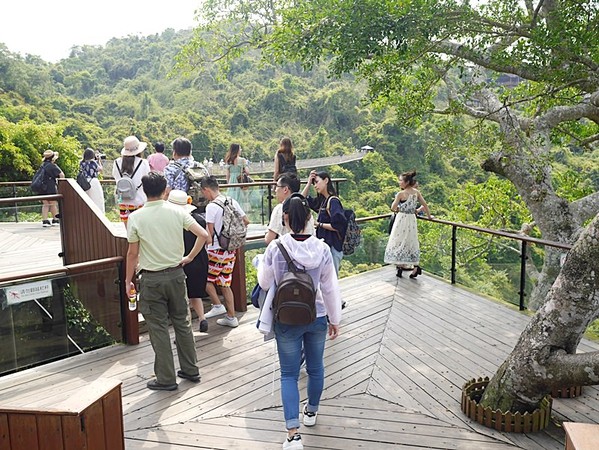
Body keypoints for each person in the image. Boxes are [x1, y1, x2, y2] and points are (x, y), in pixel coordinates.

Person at [258, 195, 342, 450]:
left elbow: (264, 282)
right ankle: (311, 412)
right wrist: (334, 318)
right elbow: (329, 288)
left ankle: (293, 435)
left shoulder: (276, 248)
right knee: (316, 368)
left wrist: (261, 263)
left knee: (288, 375)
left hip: (287, 318)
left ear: (285, 219)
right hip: (315, 315)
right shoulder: (322, 249)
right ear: (309, 219)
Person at [125, 172, 209, 390]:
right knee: (182, 322)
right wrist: (189, 257)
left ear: (144, 191)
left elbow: (132, 254)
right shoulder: (177, 211)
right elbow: (204, 235)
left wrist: (128, 280)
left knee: (158, 327)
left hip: (151, 279)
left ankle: (166, 378)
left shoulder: (136, 217)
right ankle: (191, 369)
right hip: (177, 275)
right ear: (165, 191)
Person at [200, 175, 250, 328]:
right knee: (224, 282)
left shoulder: (211, 206)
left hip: (215, 249)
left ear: (207, 190)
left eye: (203, 192)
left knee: (205, 280)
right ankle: (231, 316)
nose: (203, 195)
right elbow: (246, 220)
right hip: (230, 249)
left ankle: (217, 305)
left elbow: (209, 234)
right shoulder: (231, 201)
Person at [167, 189, 210, 333]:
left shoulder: (173, 221)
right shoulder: (199, 219)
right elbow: (207, 239)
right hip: (201, 259)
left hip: (183, 259)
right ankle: (202, 318)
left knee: (183, 297)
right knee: (195, 294)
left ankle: (187, 328)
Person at [384, 170, 432, 278]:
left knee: (399, 240)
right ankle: (415, 266)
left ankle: (400, 266)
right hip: (411, 220)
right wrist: (429, 216)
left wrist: (400, 209)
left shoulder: (401, 194)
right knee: (411, 241)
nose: (399, 182)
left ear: (406, 182)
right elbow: (425, 204)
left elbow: (393, 208)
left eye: (401, 181)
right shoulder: (416, 192)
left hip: (401, 219)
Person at [301, 170, 347, 276]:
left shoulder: (333, 202)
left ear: (326, 180)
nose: (315, 186)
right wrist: (308, 183)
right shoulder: (322, 201)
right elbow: (301, 200)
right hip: (325, 247)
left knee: (331, 279)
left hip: (333, 247)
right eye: (314, 184)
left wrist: (319, 224)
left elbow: (338, 226)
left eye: (317, 182)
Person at [112, 136, 151, 228]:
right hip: (139, 201)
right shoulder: (143, 163)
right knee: (140, 231)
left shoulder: (117, 162)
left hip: (122, 201)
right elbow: (147, 179)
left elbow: (115, 177)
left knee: (129, 232)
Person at [265, 173, 314, 245]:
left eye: (277, 186)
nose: (275, 190)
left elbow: (269, 240)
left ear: (285, 189)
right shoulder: (305, 208)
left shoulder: (279, 209)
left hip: (287, 252)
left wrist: (267, 232)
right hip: (306, 251)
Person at [39, 150, 64, 227]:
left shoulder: (42, 165)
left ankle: (45, 220)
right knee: (53, 204)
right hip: (50, 186)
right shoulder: (53, 166)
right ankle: (55, 219)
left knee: (45, 204)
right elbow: (62, 175)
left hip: (41, 186)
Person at [79, 148, 105, 213]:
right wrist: (99, 161)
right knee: (97, 200)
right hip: (93, 181)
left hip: (84, 182)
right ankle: (99, 214)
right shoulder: (93, 162)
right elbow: (100, 169)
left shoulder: (81, 162)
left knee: (87, 200)